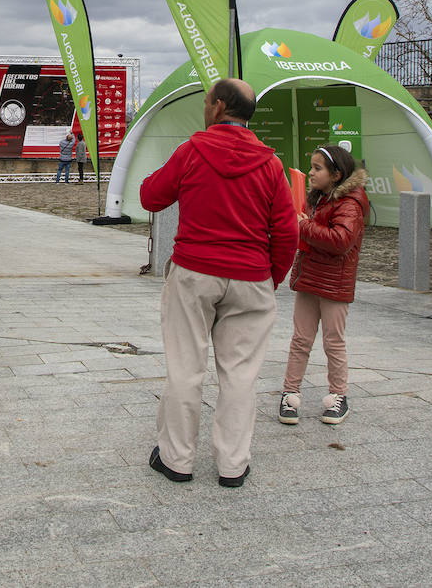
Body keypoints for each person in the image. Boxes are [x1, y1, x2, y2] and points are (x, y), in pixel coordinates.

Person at [139, 78, 297, 488]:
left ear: (219, 107)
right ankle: (233, 465)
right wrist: (269, 280)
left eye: (207, 100)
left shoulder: (192, 150)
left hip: (194, 273)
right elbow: (286, 231)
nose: (204, 105)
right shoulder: (271, 163)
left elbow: (151, 197)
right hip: (251, 277)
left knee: (185, 366)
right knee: (241, 374)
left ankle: (176, 460)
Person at [278, 144, 369, 427]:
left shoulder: (350, 203)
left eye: (318, 168)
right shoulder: (316, 198)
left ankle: (339, 395)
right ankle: (290, 393)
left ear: (337, 174)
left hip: (334, 283)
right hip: (310, 277)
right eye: (311, 167)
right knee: (300, 340)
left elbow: (341, 240)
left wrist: (303, 226)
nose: (311, 173)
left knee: (333, 341)